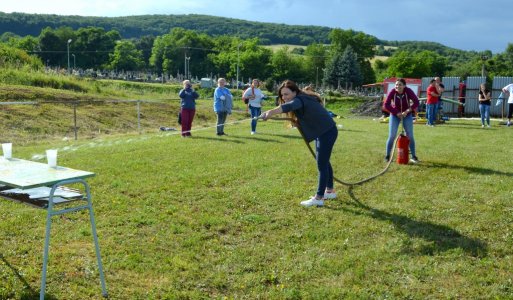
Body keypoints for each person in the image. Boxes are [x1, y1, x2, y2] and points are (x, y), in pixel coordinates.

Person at [260, 80, 337, 207]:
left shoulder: (299, 100)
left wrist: (270, 112)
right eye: (282, 95)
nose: (284, 97)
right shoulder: (301, 99)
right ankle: (330, 191)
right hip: (323, 131)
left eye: (287, 94)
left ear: (295, 92)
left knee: (322, 164)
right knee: (324, 161)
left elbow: (288, 106)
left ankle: (319, 198)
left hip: (327, 132)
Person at [383, 78, 420, 164]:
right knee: (392, 135)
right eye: (396, 84)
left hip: (407, 115)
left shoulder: (408, 91)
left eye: (400, 84)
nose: (397, 86)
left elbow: (416, 102)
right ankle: (387, 156)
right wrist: (396, 112)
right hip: (395, 115)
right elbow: (386, 104)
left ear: (404, 86)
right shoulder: (392, 92)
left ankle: (414, 156)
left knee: (410, 135)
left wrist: (407, 111)